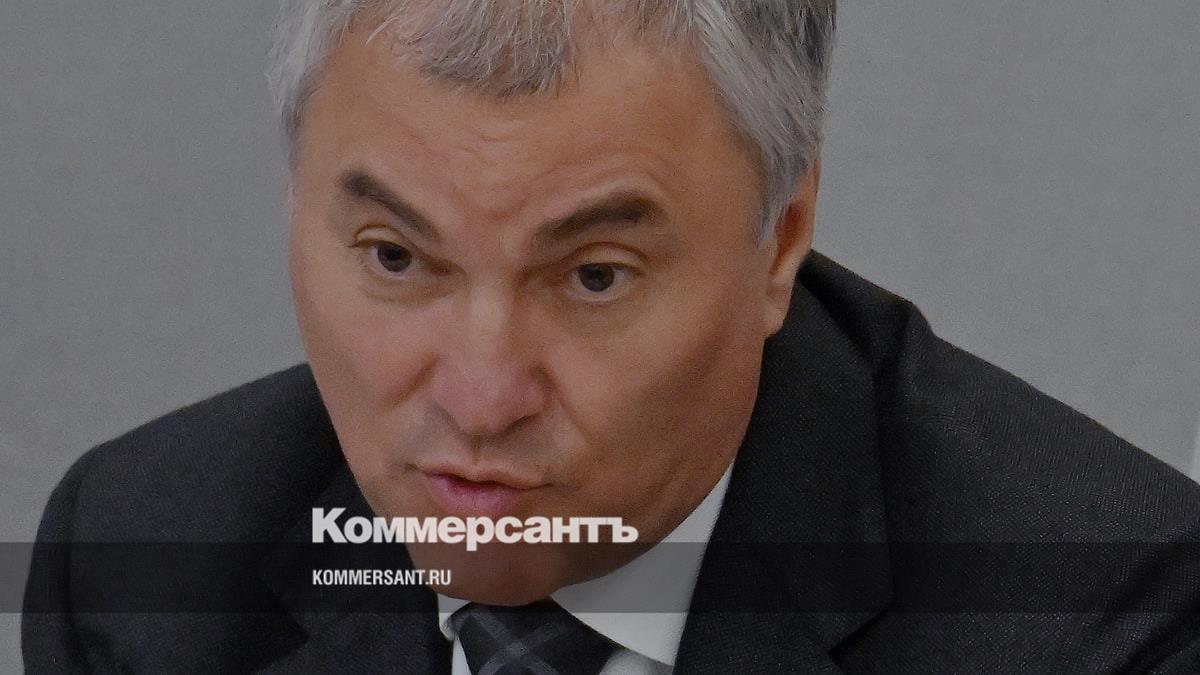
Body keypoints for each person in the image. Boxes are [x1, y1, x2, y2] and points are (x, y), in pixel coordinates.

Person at [23, 1, 1200, 672]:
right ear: (297, 204)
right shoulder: (140, 572)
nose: (482, 398)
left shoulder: (1100, 622)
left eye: (593, 276)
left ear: (780, 238)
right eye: (395, 258)